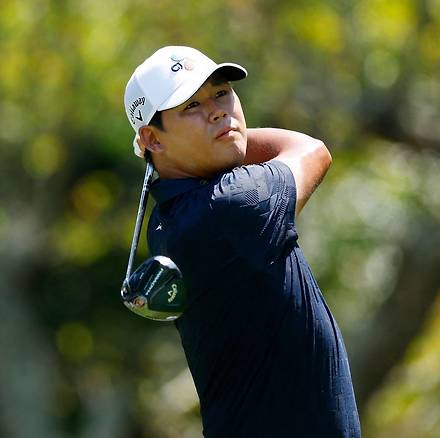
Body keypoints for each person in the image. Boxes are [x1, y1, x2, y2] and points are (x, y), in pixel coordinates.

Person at [124, 46, 361, 437]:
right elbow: (311, 150)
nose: (218, 110)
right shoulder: (233, 205)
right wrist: (230, 135)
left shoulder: (166, 220)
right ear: (152, 138)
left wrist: (219, 135)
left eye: (221, 93)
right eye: (191, 106)